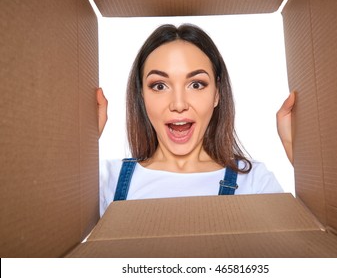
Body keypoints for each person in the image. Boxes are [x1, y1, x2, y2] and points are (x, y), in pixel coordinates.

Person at [97, 24, 296, 216]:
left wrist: (302, 157)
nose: (179, 104)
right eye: (159, 86)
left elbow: (308, 243)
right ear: (141, 96)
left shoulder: (254, 182)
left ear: (217, 93)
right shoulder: (107, 181)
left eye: (196, 84)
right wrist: (80, 145)